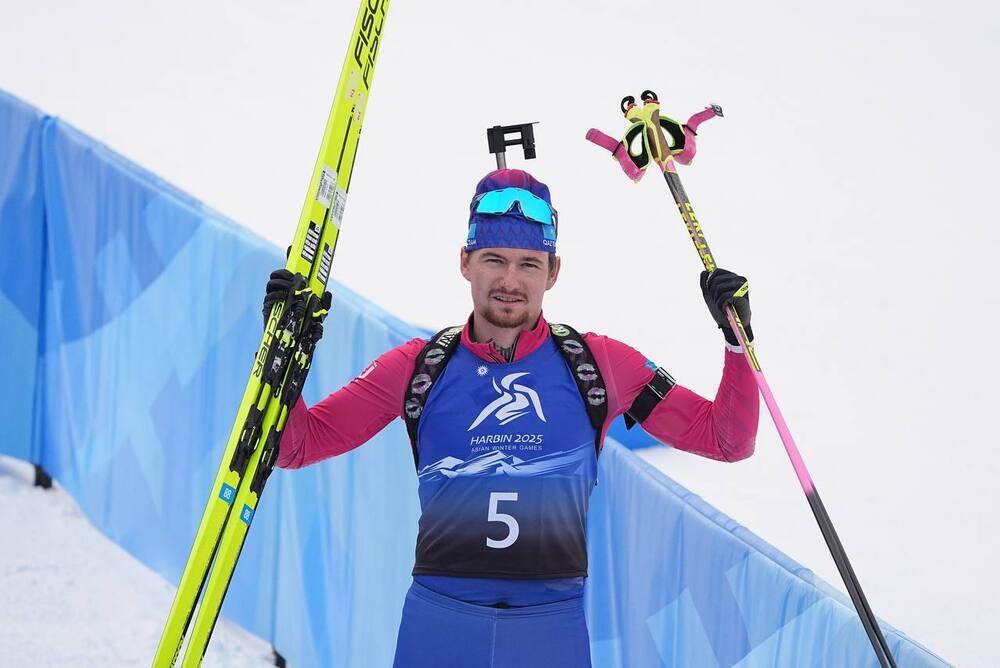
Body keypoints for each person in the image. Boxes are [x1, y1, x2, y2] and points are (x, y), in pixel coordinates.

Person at [265, 168, 760, 667]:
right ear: (465, 262)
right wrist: (284, 349)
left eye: (528, 264)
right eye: (493, 259)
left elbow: (726, 440)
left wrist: (736, 342)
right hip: (438, 627)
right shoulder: (419, 368)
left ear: (553, 271)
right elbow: (296, 446)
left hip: (549, 632)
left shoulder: (597, 365)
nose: (509, 281)